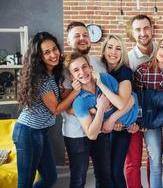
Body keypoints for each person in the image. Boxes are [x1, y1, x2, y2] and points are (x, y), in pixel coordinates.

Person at [13, 32, 80, 187]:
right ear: (39, 56)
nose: (53, 54)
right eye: (46, 52)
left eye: (54, 49)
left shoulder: (53, 73)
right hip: (28, 132)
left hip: (41, 131)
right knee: (25, 182)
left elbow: (61, 96)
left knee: (50, 178)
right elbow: (56, 109)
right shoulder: (40, 78)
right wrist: (76, 92)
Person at [62, 21, 113, 188]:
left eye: (85, 35)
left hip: (100, 130)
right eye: (77, 36)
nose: (82, 38)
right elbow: (65, 107)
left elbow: (106, 94)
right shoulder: (63, 69)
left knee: (104, 175)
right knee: (78, 180)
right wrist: (94, 110)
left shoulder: (99, 63)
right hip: (76, 133)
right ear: (69, 41)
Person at [134, 36, 163, 188]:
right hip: (150, 121)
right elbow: (137, 100)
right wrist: (141, 122)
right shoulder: (142, 70)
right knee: (154, 163)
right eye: (162, 47)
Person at [99, 34, 138, 188]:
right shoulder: (99, 68)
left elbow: (127, 101)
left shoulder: (124, 72)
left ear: (122, 53)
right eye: (110, 47)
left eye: (118, 48)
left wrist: (112, 120)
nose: (113, 52)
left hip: (121, 126)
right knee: (106, 172)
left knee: (115, 171)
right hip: (104, 128)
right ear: (103, 50)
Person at [126, 14, 157, 188]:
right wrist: (136, 119)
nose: (143, 33)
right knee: (133, 162)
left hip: (154, 116)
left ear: (152, 29)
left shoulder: (162, 50)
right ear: (132, 32)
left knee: (154, 159)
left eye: (146, 28)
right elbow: (127, 93)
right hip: (133, 118)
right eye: (138, 29)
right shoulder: (128, 58)